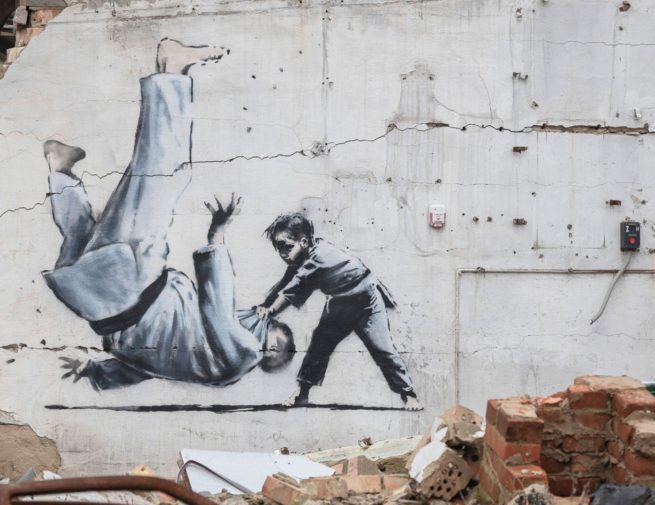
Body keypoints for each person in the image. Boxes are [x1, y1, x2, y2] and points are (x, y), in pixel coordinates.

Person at [46, 39, 294, 390]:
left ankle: (172, 70)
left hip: (135, 284)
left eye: (268, 326)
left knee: (164, 174)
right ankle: (59, 170)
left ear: (268, 350)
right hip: (92, 303)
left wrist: (216, 237)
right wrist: (94, 372)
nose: (259, 314)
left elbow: (218, 310)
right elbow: (145, 366)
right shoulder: (204, 363)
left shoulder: (244, 354)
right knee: (84, 237)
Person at [256, 213, 423, 411]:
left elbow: (293, 289)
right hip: (340, 303)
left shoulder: (316, 259)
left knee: (383, 348)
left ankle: (408, 393)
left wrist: (271, 309)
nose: (283, 253)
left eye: (287, 247)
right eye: (279, 248)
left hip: (367, 301)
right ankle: (302, 392)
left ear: (304, 241)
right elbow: (285, 283)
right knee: (319, 346)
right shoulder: (307, 253)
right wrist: (266, 304)